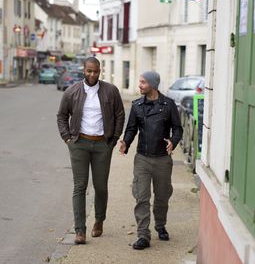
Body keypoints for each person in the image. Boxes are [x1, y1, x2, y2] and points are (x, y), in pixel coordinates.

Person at [57, 57, 125, 244]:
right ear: (83, 70)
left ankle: (99, 220)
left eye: (95, 71)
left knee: (100, 186)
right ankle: (80, 230)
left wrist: (113, 139)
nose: (92, 74)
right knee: (80, 187)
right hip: (80, 143)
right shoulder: (72, 92)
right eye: (89, 71)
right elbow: (62, 116)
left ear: (100, 71)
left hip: (103, 144)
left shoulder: (110, 91)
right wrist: (67, 138)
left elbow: (120, 114)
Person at [119, 71, 183, 250]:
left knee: (162, 197)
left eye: (143, 82)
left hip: (163, 160)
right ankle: (143, 235)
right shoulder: (137, 106)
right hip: (142, 159)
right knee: (141, 197)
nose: (139, 85)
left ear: (153, 85)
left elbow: (178, 129)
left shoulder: (169, 105)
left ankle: (160, 226)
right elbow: (131, 129)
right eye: (139, 81)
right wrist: (126, 142)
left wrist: (173, 141)